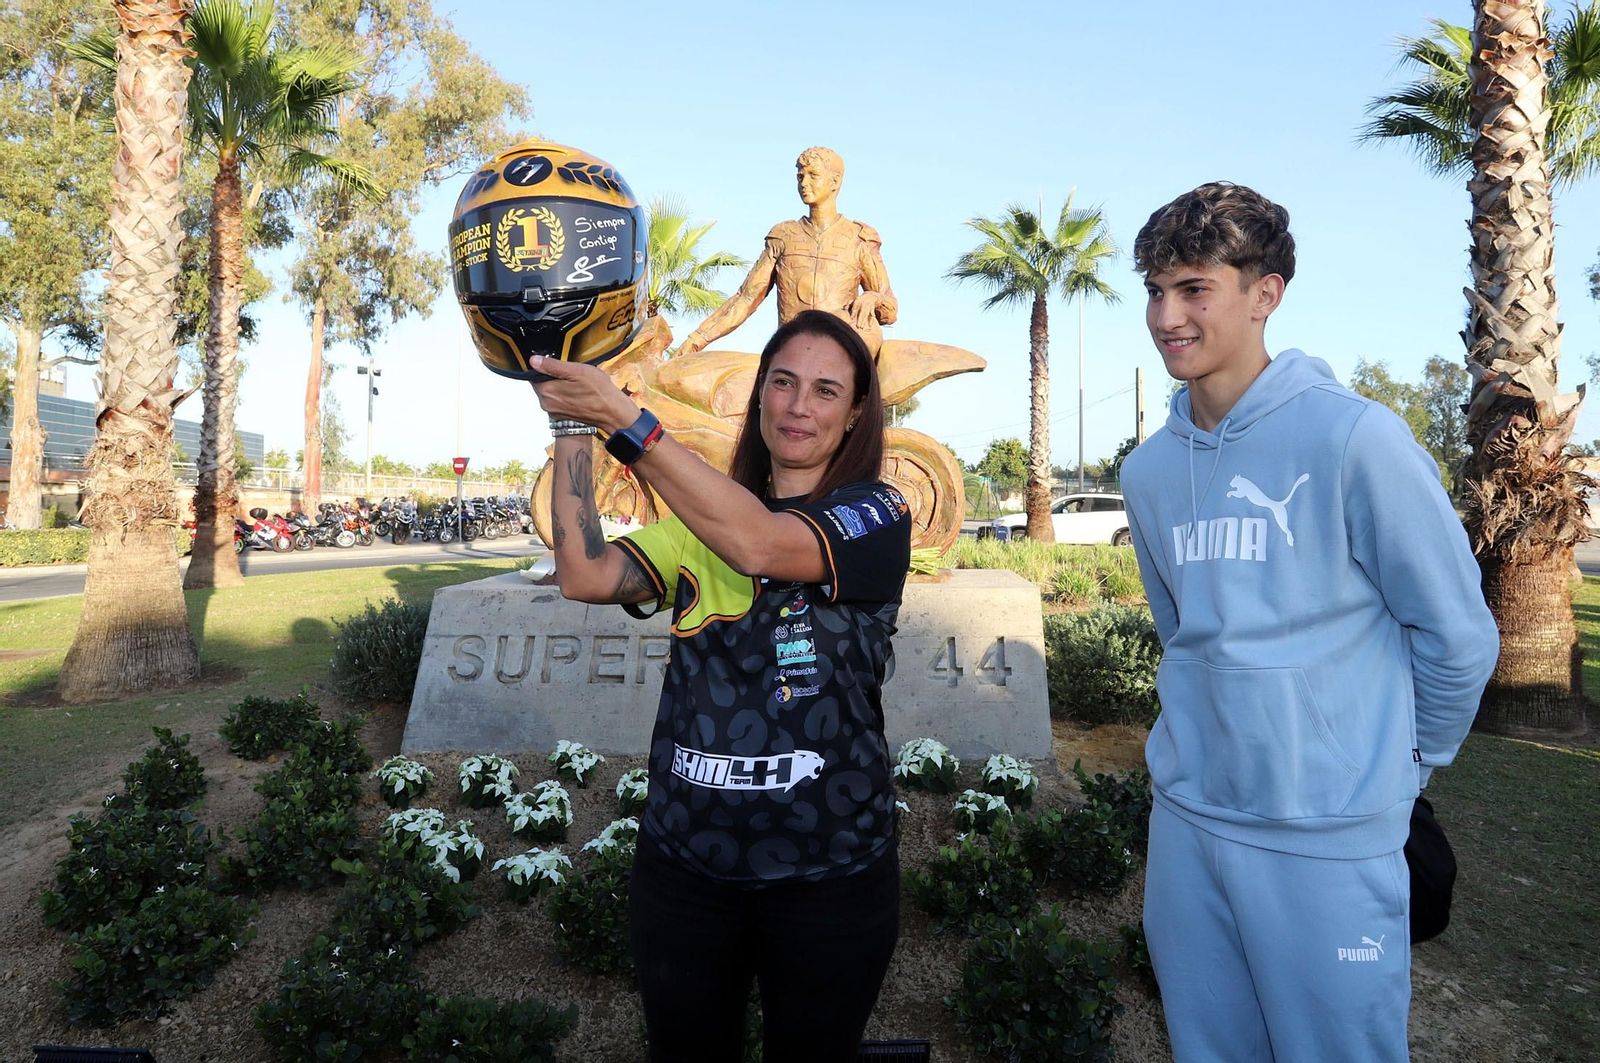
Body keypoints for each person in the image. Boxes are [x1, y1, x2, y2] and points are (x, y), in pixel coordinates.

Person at [1119, 181, 1500, 1063]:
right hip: (1189, 825)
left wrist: (1397, 768)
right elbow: (1183, 635)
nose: (1166, 315)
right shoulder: (1147, 474)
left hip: (1328, 840)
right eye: (1155, 290)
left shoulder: (1354, 439)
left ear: (1265, 293)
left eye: (1193, 288)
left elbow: (1458, 634)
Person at [530, 308, 911, 1063]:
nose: (799, 405)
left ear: (855, 412)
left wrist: (621, 414)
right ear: (759, 396)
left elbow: (761, 541)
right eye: (783, 382)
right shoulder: (696, 524)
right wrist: (571, 427)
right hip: (686, 871)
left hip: (829, 874)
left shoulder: (875, 513)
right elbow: (584, 574)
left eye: (826, 390)